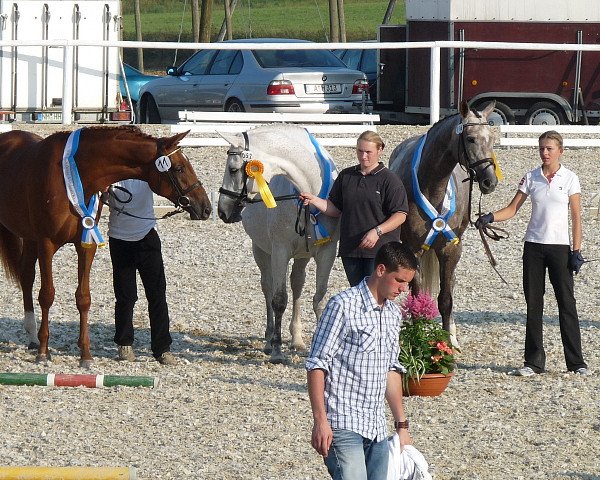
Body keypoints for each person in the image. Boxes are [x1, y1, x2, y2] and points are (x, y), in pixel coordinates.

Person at [475, 130, 588, 376]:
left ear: (561, 151)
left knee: (566, 303)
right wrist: (490, 217)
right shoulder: (531, 177)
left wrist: (576, 250)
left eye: (549, 148)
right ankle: (533, 362)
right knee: (533, 304)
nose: (545, 153)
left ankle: (576, 362)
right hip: (534, 247)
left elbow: (577, 216)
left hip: (559, 248)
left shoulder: (570, 178)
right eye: (542, 148)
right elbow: (512, 209)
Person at [306, 241, 417, 480]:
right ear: (381, 270)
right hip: (342, 423)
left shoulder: (392, 314)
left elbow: (391, 369)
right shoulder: (343, 306)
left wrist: (401, 425)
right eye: (399, 280)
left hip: (377, 426)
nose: (404, 289)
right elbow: (317, 364)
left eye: (407, 283)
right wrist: (320, 421)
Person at [299, 130, 409, 287]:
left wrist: (377, 231)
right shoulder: (346, 176)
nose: (364, 156)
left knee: (376, 295)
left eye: (368, 152)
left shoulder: (390, 180)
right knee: (357, 294)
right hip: (351, 250)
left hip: (380, 251)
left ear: (380, 150)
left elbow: (400, 215)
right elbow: (335, 209)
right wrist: (314, 200)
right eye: (360, 151)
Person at [106, 179, 177, 366]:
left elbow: (167, 184)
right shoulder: (112, 174)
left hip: (147, 237)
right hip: (119, 239)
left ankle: (162, 348)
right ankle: (124, 343)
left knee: (157, 295)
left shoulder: (146, 174)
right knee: (125, 296)